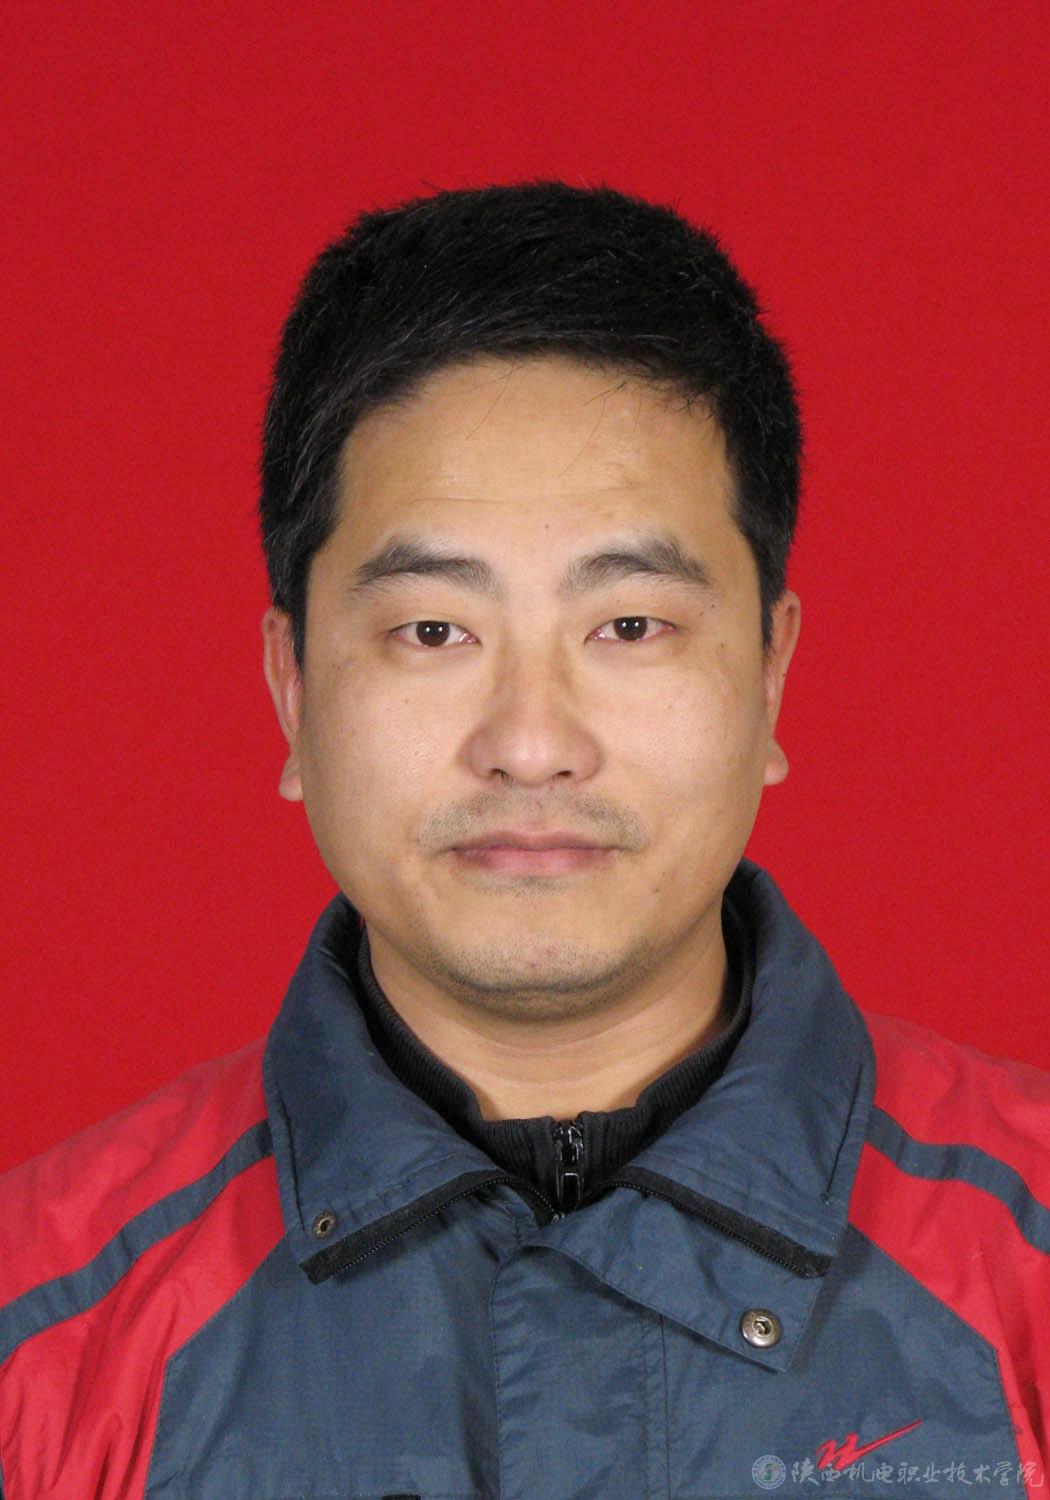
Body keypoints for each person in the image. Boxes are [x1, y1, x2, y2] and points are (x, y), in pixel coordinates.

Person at [1, 181, 1047, 1500]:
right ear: (293, 689)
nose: (532, 743)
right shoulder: (40, 1337)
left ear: (771, 674)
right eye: (433, 630)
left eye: (630, 626)